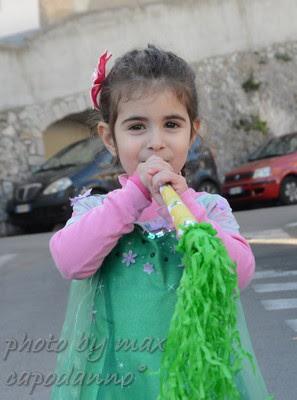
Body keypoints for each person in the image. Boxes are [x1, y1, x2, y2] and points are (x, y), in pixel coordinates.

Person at [49, 45, 271, 399]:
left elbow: (237, 274)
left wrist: (184, 210)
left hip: (198, 379)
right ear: (110, 138)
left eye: (171, 124)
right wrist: (133, 195)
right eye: (137, 126)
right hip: (120, 384)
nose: (156, 143)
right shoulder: (97, 210)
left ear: (192, 133)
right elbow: (69, 260)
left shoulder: (208, 209)